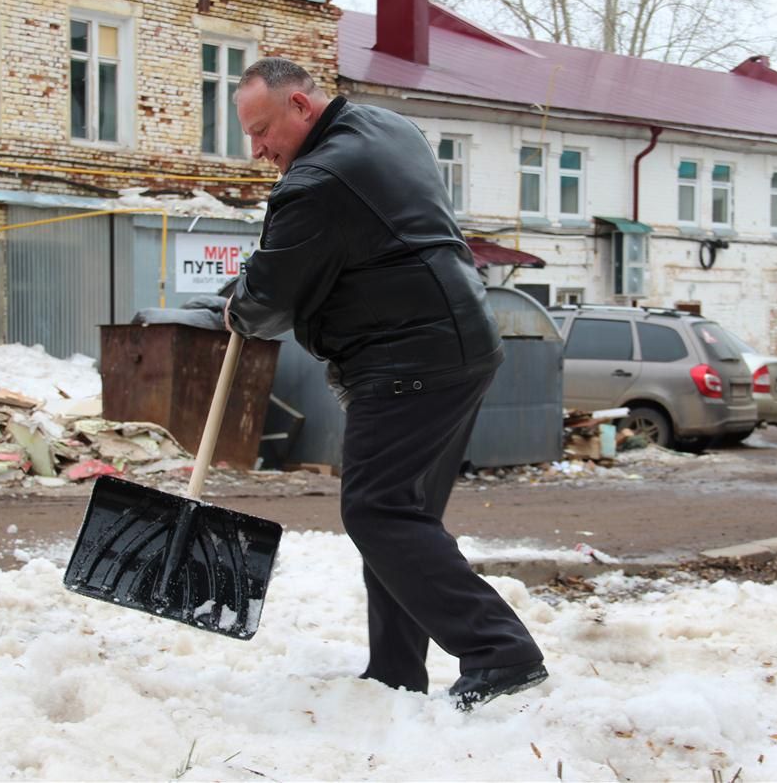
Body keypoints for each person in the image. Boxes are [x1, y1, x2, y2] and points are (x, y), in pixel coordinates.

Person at [224, 57, 546, 710]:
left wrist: (236, 302)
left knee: (377, 511)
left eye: (263, 132)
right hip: (459, 344)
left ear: (301, 109)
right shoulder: (386, 127)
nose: (258, 151)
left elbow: (267, 303)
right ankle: (396, 672)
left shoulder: (316, 182)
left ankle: (502, 653)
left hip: (410, 363)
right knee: (403, 515)